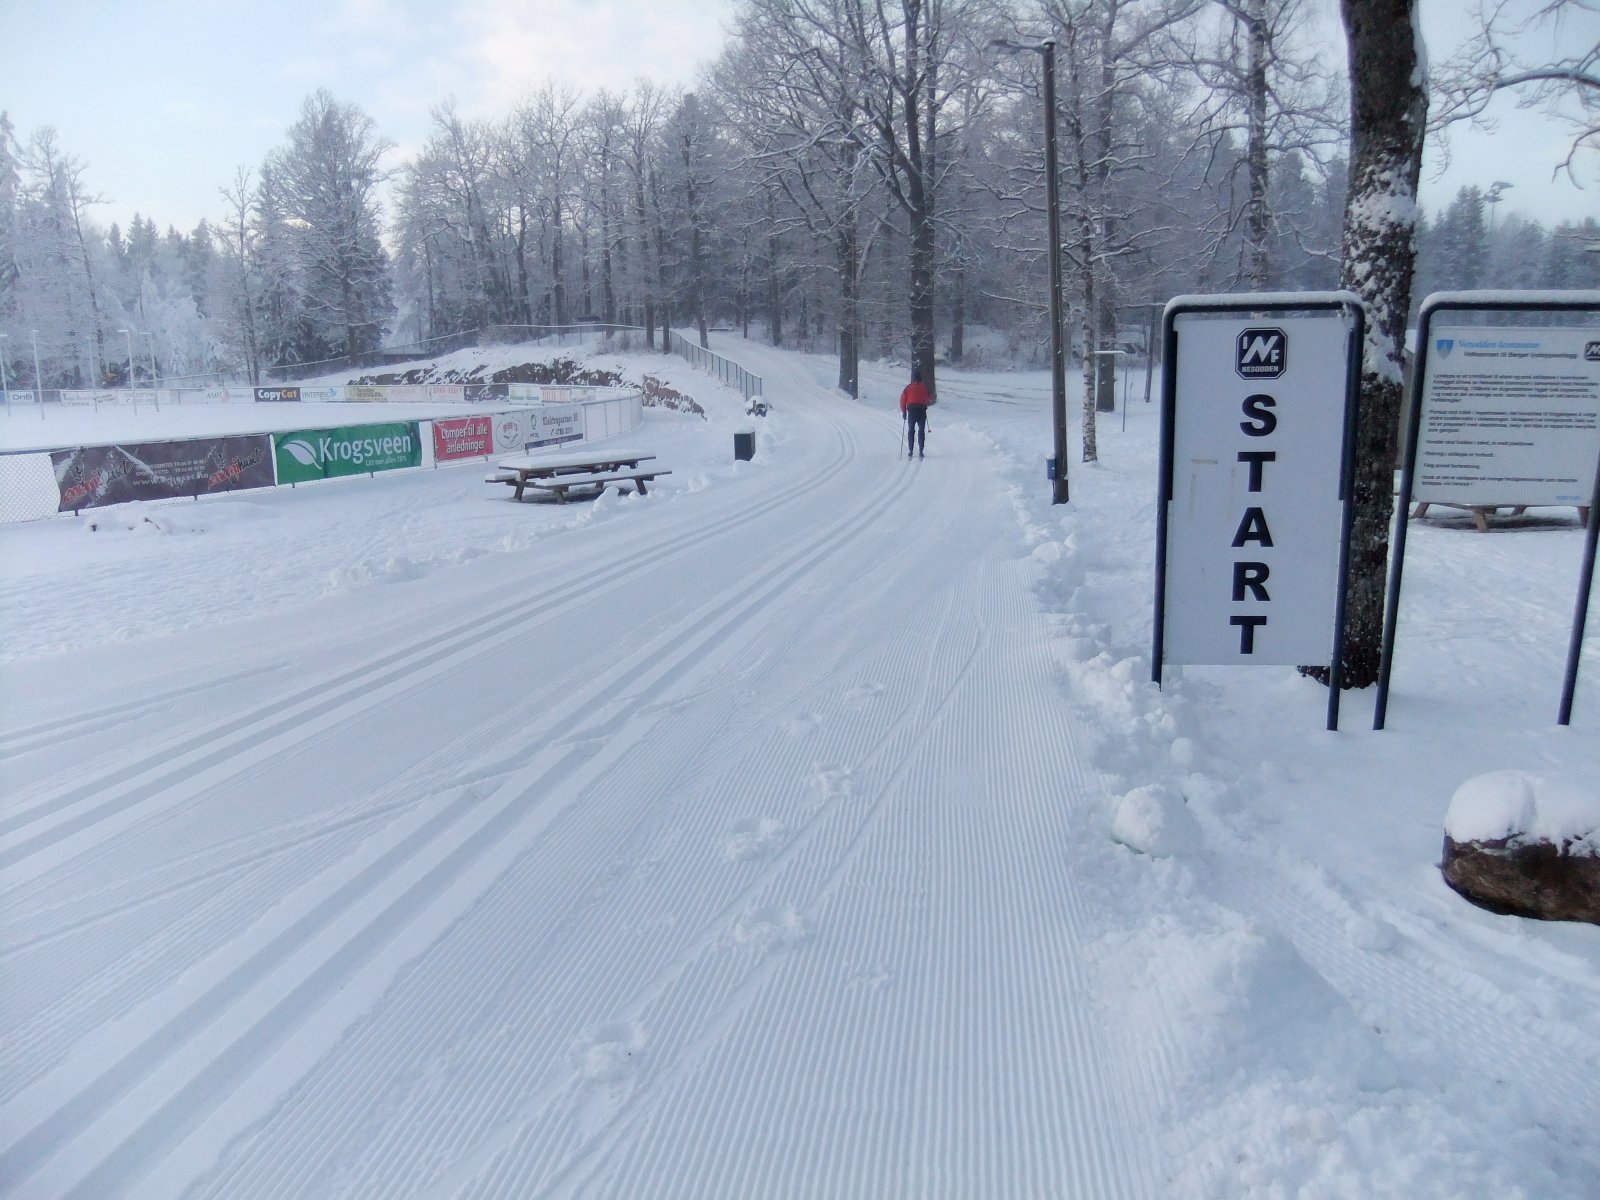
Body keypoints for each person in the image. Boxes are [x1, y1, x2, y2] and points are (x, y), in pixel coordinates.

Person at [900, 367, 933, 459]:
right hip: (921, 411)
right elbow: (929, 398)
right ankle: (921, 451)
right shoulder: (924, 387)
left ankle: (910, 450)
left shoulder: (908, 388)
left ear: (914, 378)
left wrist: (904, 412)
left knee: (911, 430)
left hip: (912, 411)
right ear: (920, 378)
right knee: (921, 430)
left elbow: (902, 400)